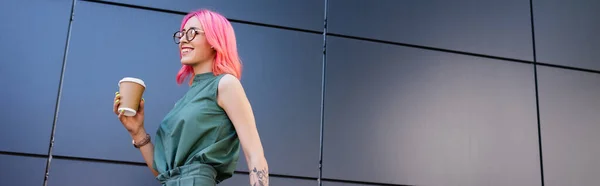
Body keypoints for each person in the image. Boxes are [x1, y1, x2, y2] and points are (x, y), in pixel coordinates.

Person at [112, 9, 269, 186]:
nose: (184, 39)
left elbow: (255, 154)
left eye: (192, 32)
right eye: (182, 34)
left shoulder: (226, 84)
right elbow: (164, 174)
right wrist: (137, 131)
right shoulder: (184, 101)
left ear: (214, 40)